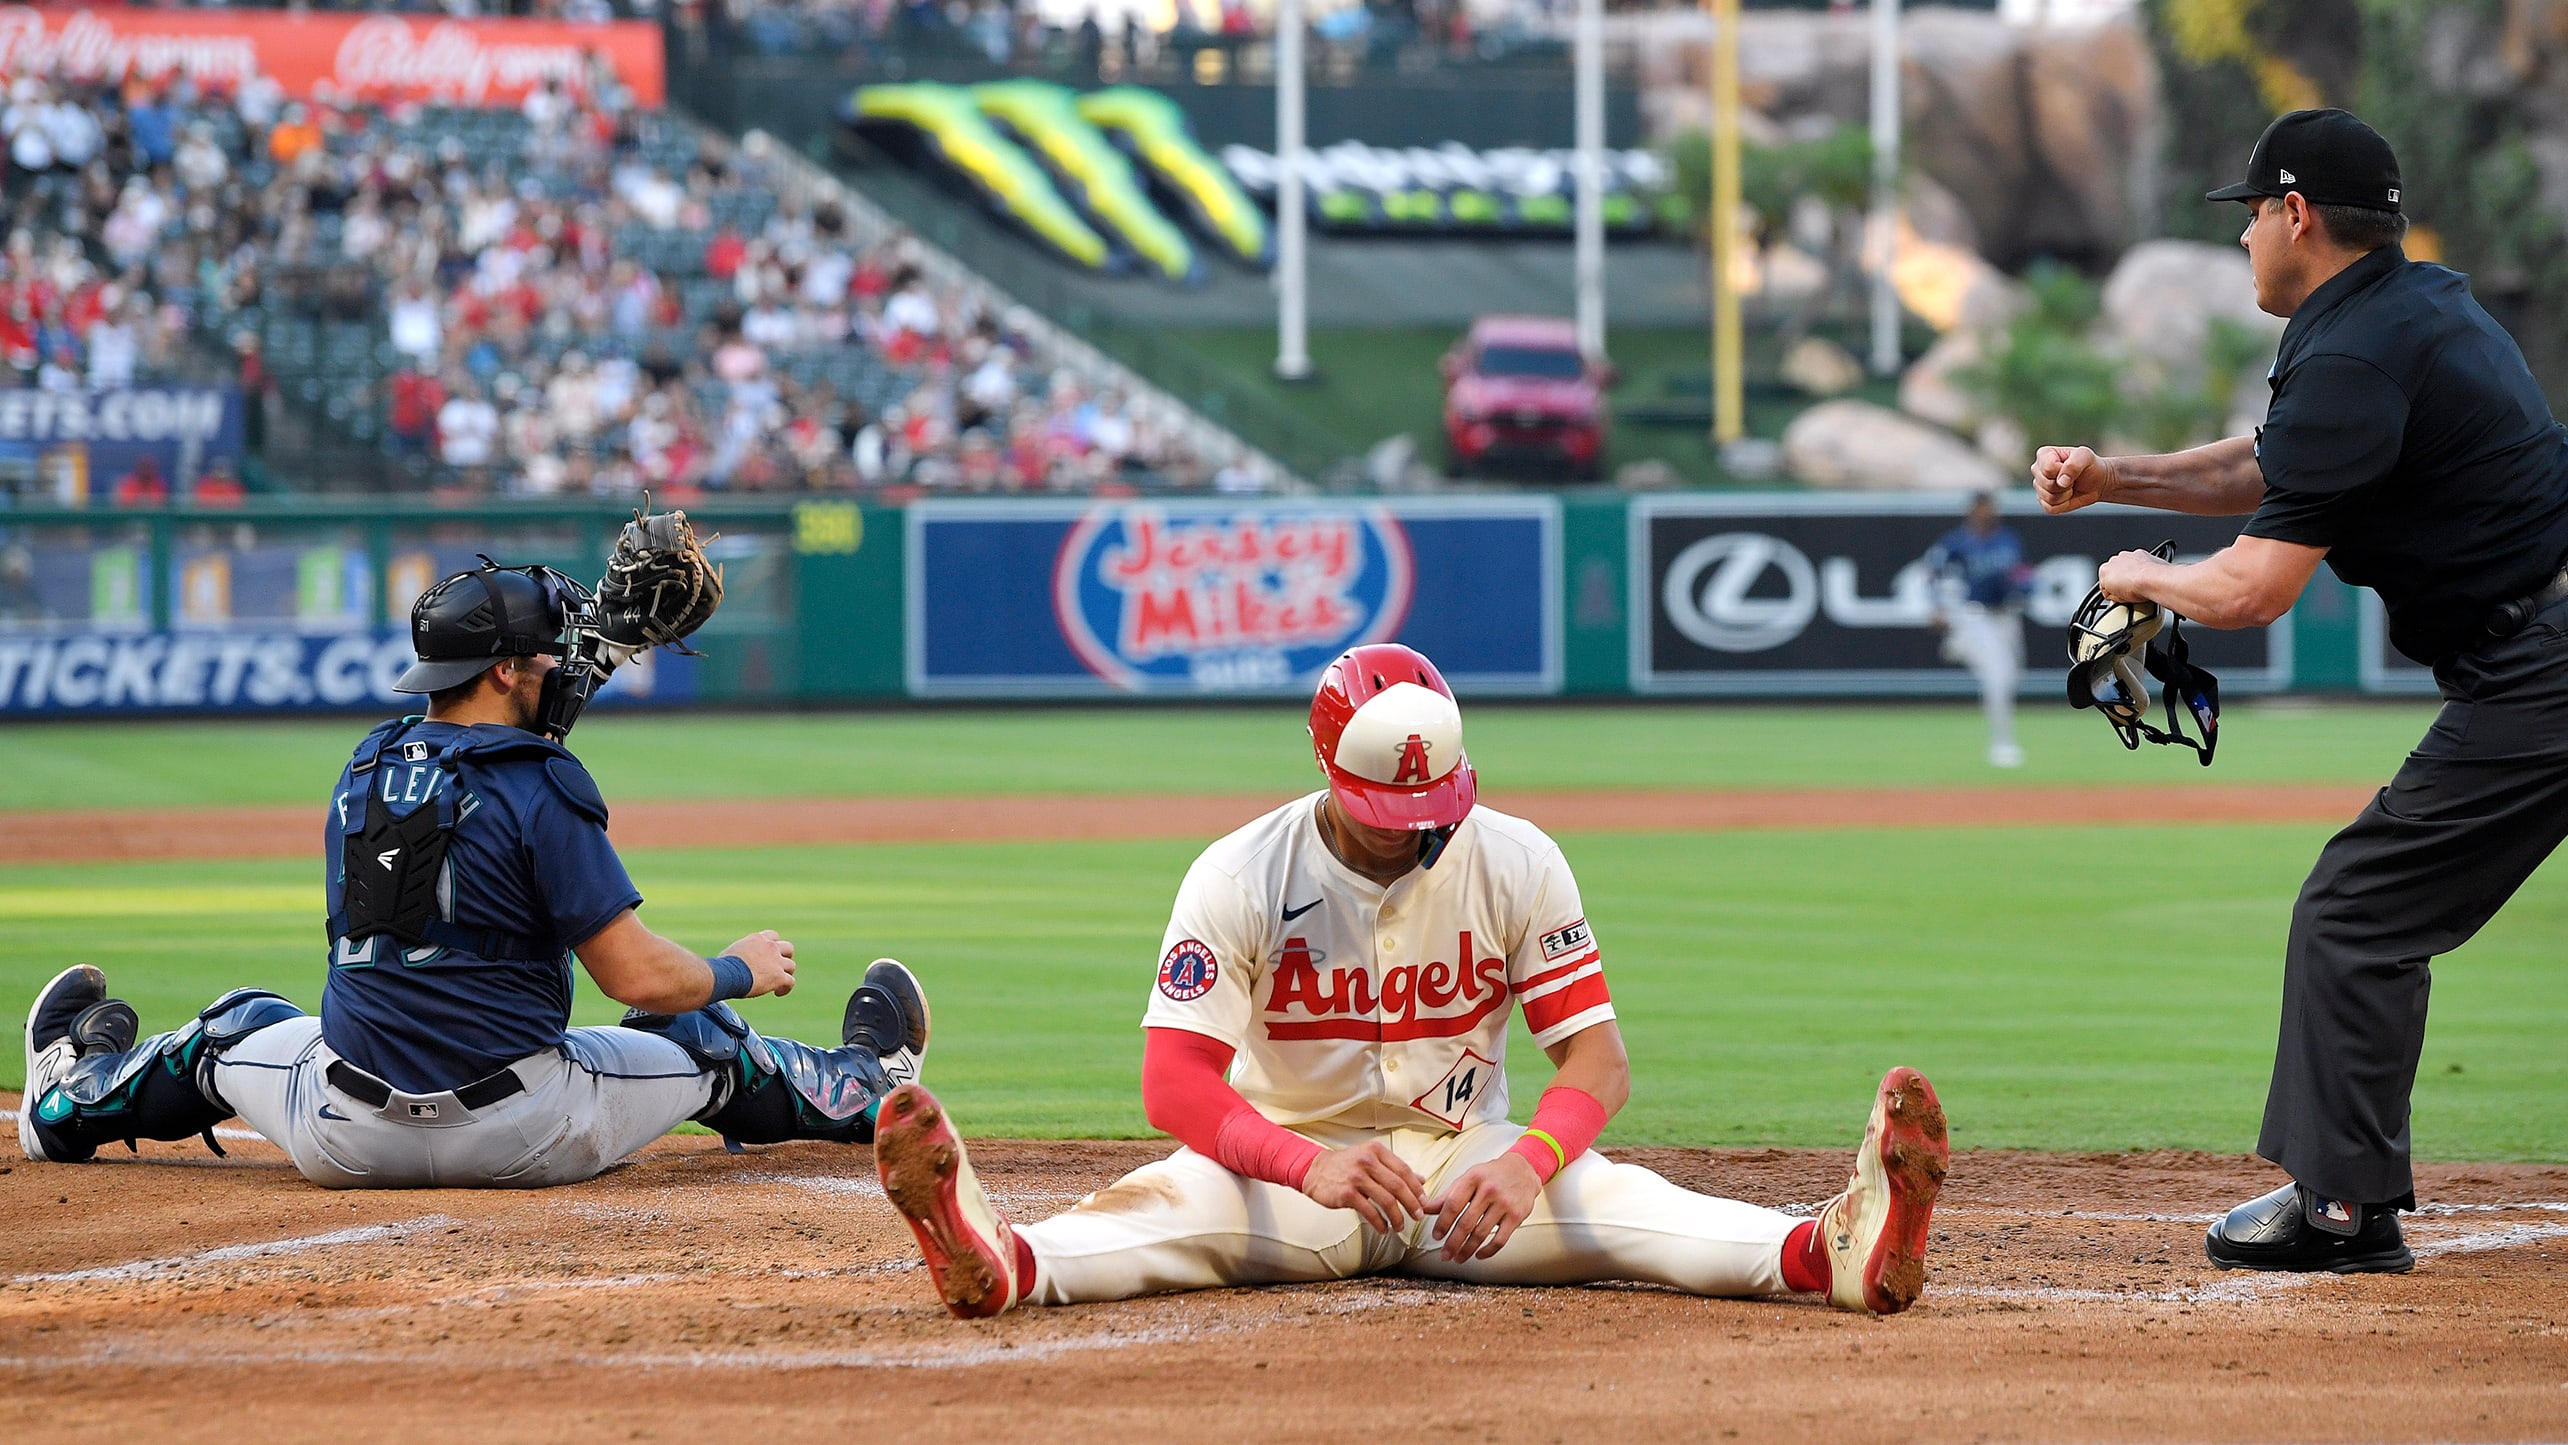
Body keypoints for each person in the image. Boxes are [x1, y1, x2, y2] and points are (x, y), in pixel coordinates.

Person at [870, 643, 1948, 1318]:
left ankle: (1835, 1252)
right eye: (1394, 821)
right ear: (1328, 772)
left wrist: (1530, 1159)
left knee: (1631, 1208)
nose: (1420, 840)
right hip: (1291, 1168)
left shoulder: (1516, 853)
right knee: (1161, 1222)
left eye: (1435, 818)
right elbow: (1176, 1084)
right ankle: (997, 1258)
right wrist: (1306, 1163)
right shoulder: (1242, 870)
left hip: (1468, 1176)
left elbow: (1596, 1059)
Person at [2031, 108, 2568, 1274]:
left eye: (2250, 219)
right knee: (2367, 907)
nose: (2241, 245)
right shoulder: (2403, 309)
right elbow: (2272, 461)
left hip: (2550, 664)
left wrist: (2136, 572)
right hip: (2541, 650)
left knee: (2358, 910)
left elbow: (2260, 587)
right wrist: (2118, 478)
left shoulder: (2360, 347)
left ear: (2295, 214)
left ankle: (2340, 1209)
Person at [21, 559, 930, 1188]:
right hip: (522, 1128)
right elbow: (634, 975)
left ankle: (65, 1103)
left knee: (236, 1026)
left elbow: (480, 760)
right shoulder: (544, 783)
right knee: (695, 1027)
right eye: (547, 656)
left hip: (341, 1133)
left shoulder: (366, 765)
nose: (565, 668)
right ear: (503, 669)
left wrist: (569, 667)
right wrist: (738, 967)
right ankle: (871, 1081)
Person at [1923, 492, 2034, 767]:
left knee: (2011, 676)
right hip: (1977, 614)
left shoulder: (2008, 539)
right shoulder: (1958, 542)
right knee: (1998, 675)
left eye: (1990, 508)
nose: (1986, 513)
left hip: (2007, 615)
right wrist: (1937, 606)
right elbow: (1931, 572)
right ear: (1971, 511)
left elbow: (2024, 573)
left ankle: (1958, 645)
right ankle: (2002, 745)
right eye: (1981, 508)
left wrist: (2026, 587)